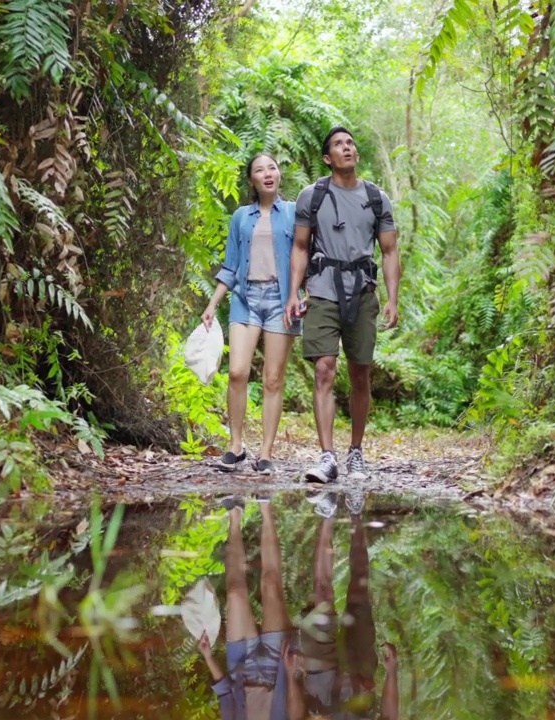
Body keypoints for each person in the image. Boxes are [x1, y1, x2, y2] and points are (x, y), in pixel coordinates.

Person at [284, 128, 400, 484]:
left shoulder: (376, 198)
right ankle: (327, 457)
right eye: (338, 144)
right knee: (324, 367)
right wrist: (293, 293)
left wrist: (393, 298)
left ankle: (356, 453)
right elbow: (301, 247)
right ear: (326, 157)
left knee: (360, 373)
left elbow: (390, 251)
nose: (346, 148)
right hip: (321, 289)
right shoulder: (311, 196)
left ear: (356, 154)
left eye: (350, 143)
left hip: (362, 291)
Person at [203, 153, 300, 474]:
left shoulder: (295, 214)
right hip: (245, 298)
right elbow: (230, 265)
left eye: (272, 167)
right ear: (252, 180)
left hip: (281, 300)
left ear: (278, 174)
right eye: (259, 170)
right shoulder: (241, 218)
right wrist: (213, 303)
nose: (267, 173)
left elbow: (307, 256)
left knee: (273, 379)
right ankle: (236, 445)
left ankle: (267, 452)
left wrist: (306, 294)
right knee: (237, 372)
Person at [284, 492, 399, 719]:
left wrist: (292, 677)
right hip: (360, 680)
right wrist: (392, 673)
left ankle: (328, 515)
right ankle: (355, 514)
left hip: (320, 684)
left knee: (323, 599)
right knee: (358, 591)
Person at [197, 497, 293, 720]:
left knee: (235, 592)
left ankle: (235, 517)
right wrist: (294, 671)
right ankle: (266, 508)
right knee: (270, 585)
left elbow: (224, 695)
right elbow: (298, 709)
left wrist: (208, 656)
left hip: (242, 665)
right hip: (277, 666)